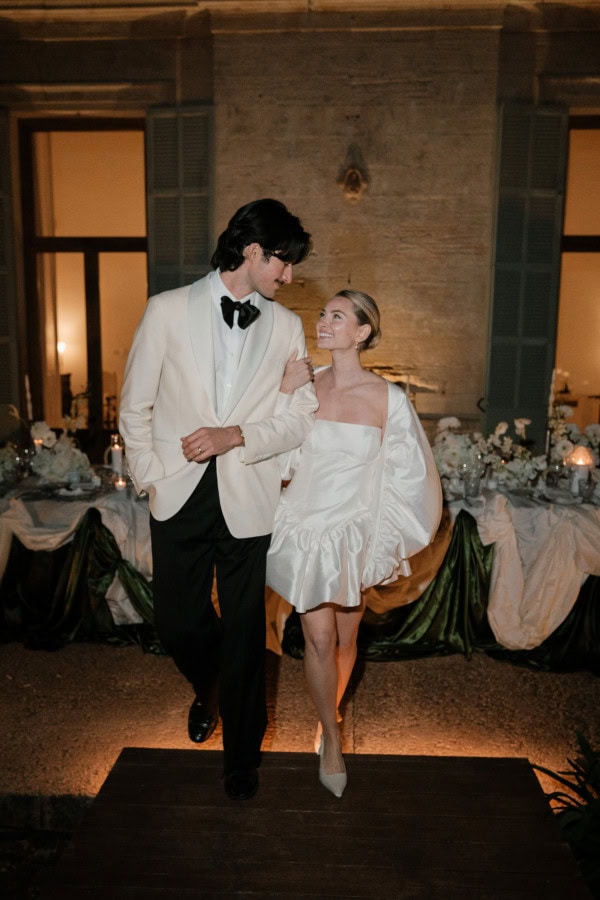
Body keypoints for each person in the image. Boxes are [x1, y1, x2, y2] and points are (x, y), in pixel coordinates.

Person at [119, 199, 317, 801]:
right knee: (176, 623)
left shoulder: (286, 327)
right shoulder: (167, 310)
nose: (289, 276)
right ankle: (209, 684)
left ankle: (242, 759)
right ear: (252, 251)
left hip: (248, 494)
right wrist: (151, 475)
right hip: (178, 489)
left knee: (246, 630)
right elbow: (134, 405)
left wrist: (237, 435)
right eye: (283, 262)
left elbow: (299, 420)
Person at [266, 289, 442, 797]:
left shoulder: (389, 399)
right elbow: (277, 452)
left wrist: (380, 539)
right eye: (323, 314)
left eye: (337, 316)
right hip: (304, 529)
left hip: (352, 534)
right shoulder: (305, 384)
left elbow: (408, 477)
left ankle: (331, 711)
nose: (323, 322)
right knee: (319, 639)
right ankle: (332, 738)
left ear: (362, 332)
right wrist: (282, 393)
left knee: (345, 640)